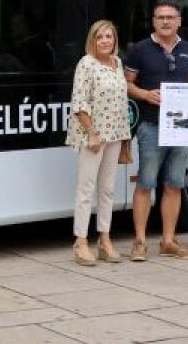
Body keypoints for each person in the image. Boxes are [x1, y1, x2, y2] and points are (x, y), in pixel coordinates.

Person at [124, 0, 188, 261]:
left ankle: (168, 241)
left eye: (170, 17)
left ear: (179, 20)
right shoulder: (140, 50)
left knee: (175, 184)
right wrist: (145, 94)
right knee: (145, 183)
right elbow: (127, 84)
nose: (165, 21)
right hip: (151, 125)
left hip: (182, 128)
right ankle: (140, 242)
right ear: (153, 21)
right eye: (160, 17)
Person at [67, 20, 130, 266]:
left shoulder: (118, 64)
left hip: (115, 134)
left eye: (109, 36)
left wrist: (124, 136)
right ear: (92, 40)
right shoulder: (86, 64)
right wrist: (92, 132)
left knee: (108, 189)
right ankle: (80, 242)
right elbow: (80, 101)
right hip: (92, 136)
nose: (105, 40)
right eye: (100, 37)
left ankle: (104, 239)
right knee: (86, 189)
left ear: (115, 40)